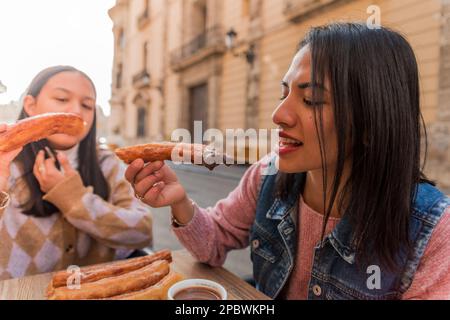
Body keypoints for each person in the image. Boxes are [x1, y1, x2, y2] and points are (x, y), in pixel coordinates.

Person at [124, 23, 450, 299]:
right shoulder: (267, 174)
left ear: (371, 122)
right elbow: (212, 242)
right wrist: (179, 201)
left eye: (310, 100)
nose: (278, 115)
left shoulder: (433, 232)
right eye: (284, 94)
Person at [0, 66, 152, 280]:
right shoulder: (7, 164)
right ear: (30, 105)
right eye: (62, 99)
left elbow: (141, 232)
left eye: (87, 105)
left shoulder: (108, 163)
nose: (76, 110)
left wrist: (74, 198)